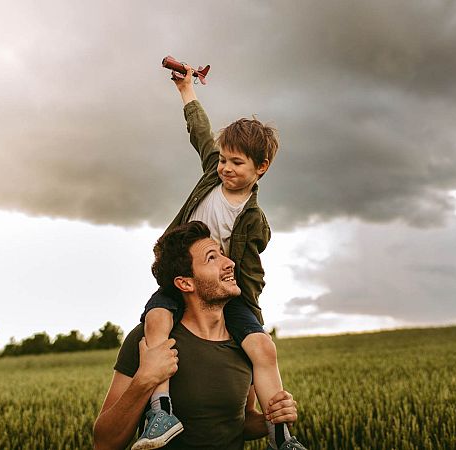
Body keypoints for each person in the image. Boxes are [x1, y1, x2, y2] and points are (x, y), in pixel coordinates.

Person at [134, 65, 302, 450]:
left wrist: (251, 319)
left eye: (236, 163)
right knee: (156, 319)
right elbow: (199, 130)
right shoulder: (213, 171)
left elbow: (251, 275)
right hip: (183, 274)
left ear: (261, 168)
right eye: (224, 159)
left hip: (226, 290)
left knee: (263, 347)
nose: (226, 167)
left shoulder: (255, 222)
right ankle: (160, 413)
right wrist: (186, 89)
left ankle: (281, 436)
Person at [92, 221, 303, 450]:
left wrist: (273, 417)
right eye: (212, 258)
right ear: (185, 283)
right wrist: (145, 378)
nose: (230, 263)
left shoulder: (247, 346)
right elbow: (104, 443)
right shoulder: (147, 341)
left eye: (222, 254)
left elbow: (240, 423)